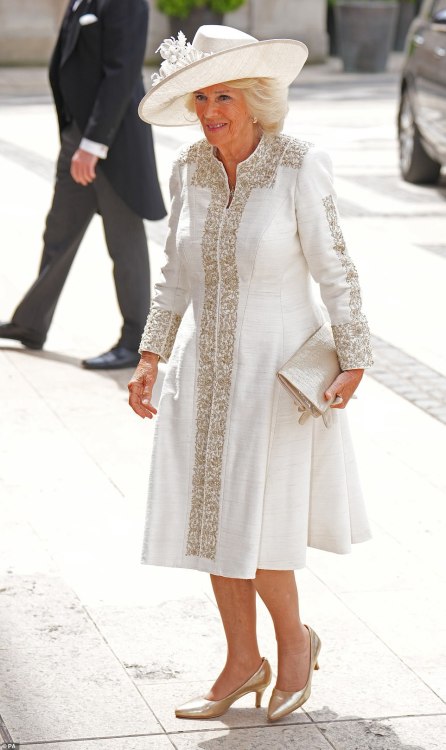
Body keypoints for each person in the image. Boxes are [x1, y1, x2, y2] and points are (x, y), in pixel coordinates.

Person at [128, 25, 374, 722]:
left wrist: (354, 355)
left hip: (278, 378)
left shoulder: (299, 164)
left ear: (257, 99)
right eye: (201, 97)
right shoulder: (189, 169)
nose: (210, 112)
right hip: (203, 377)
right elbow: (174, 276)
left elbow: (336, 266)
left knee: (262, 528)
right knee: (213, 527)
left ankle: (293, 646)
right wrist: (151, 356)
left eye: (224, 96)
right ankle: (243, 661)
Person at [0, 0, 166, 370]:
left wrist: (92, 145)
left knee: (125, 245)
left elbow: (121, 73)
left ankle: (136, 340)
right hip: (79, 138)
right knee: (58, 233)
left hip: (112, 144)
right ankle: (31, 324)